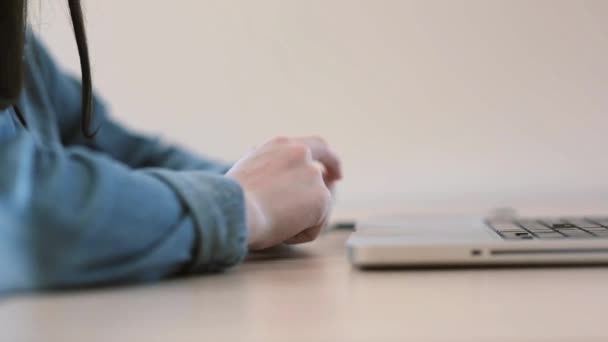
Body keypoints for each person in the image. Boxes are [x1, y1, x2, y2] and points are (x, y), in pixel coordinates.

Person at [0, 0, 342, 292]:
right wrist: (243, 206)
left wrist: (273, 186)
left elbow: (122, 154)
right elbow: (24, 221)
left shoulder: (20, 48)